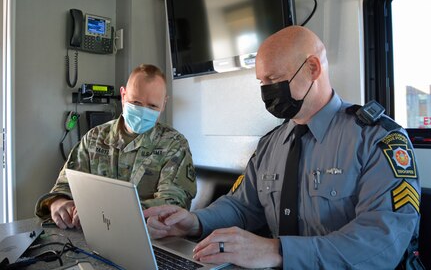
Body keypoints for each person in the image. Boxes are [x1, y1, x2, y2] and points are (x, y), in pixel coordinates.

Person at [143, 26, 421, 269]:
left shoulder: (379, 140)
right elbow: (242, 206)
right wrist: (194, 222)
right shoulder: (271, 144)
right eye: (262, 82)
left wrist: (276, 251)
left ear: (313, 68)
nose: (267, 91)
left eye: (274, 79)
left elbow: (380, 244)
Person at [35, 64, 197, 229]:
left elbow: (172, 203)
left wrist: (109, 213)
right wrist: (58, 203)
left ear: (163, 104)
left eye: (152, 106)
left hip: (146, 236)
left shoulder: (173, 144)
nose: (143, 111)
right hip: (89, 232)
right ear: (123, 95)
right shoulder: (94, 138)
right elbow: (65, 184)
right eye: (136, 102)